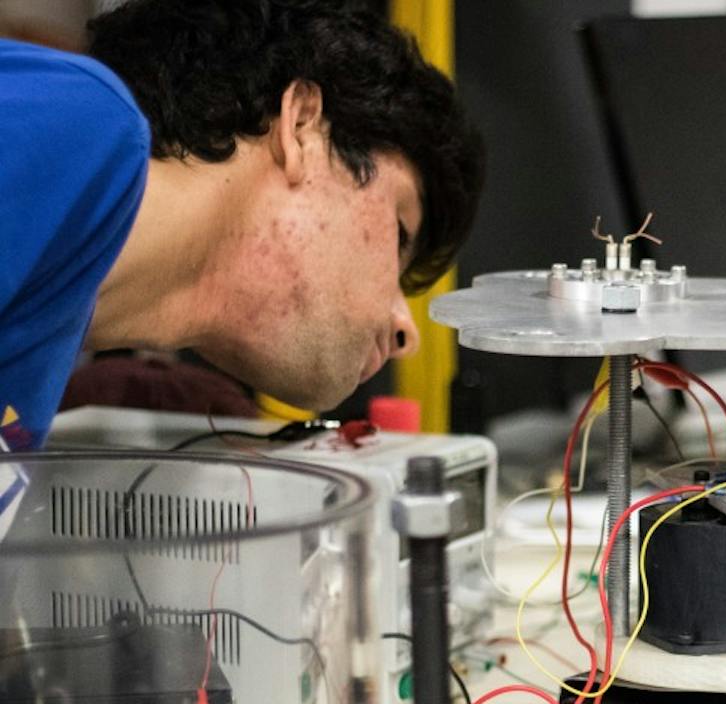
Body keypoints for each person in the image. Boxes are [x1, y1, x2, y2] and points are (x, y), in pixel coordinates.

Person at [0, 0, 483, 452]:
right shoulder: (78, 128)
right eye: (399, 233)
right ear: (302, 128)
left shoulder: (33, 367)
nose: (406, 331)